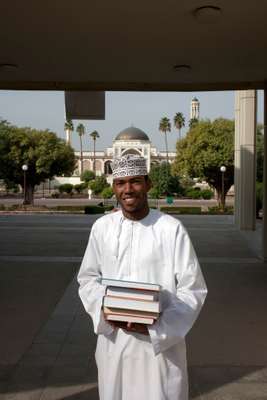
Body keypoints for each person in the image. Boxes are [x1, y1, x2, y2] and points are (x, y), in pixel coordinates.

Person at [77, 154, 207, 400]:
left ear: (148, 184)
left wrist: (158, 327)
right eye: (120, 183)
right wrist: (104, 311)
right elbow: (88, 278)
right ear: (114, 187)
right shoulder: (102, 228)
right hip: (114, 345)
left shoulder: (171, 228)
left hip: (159, 350)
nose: (128, 189)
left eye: (135, 181)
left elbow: (193, 289)